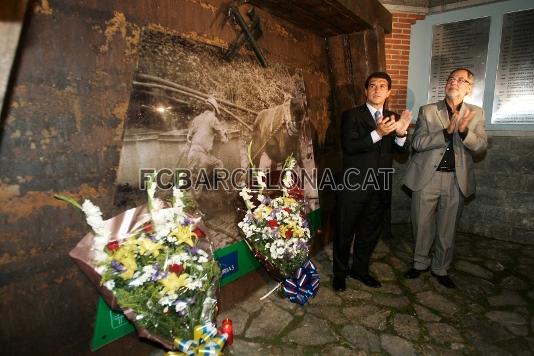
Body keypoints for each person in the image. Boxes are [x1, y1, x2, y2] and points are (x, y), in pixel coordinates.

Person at [403, 68, 487, 288]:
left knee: (447, 229)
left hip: (455, 179)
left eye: (461, 80)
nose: (454, 82)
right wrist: (446, 133)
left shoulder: (476, 113)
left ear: (469, 88)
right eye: (451, 79)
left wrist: (464, 132)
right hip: (426, 178)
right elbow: (417, 144)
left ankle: (440, 267)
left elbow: (480, 147)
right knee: (421, 224)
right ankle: (420, 263)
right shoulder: (428, 110)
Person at [333, 72, 412, 291]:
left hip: (380, 187)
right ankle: (339, 274)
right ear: (366, 91)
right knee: (344, 232)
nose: (377, 89)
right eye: (372, 86)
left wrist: (402, 133)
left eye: (382, 86)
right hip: (353, 185)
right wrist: (377, 132)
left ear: (389, 92)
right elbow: (350, 146)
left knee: (369, 233)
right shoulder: (352, 115)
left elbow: (401, 153)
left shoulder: (393, 117)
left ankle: (359, 270)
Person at [186, 96, 228, 171]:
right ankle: (217, 182)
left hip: (191, 154)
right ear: (214, 110)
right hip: (202, 155)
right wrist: (225, 136)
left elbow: (189, 138)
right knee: (219, 164)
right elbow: (223, 139)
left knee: (194, 179)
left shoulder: (197, 119)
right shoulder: (213, 119)